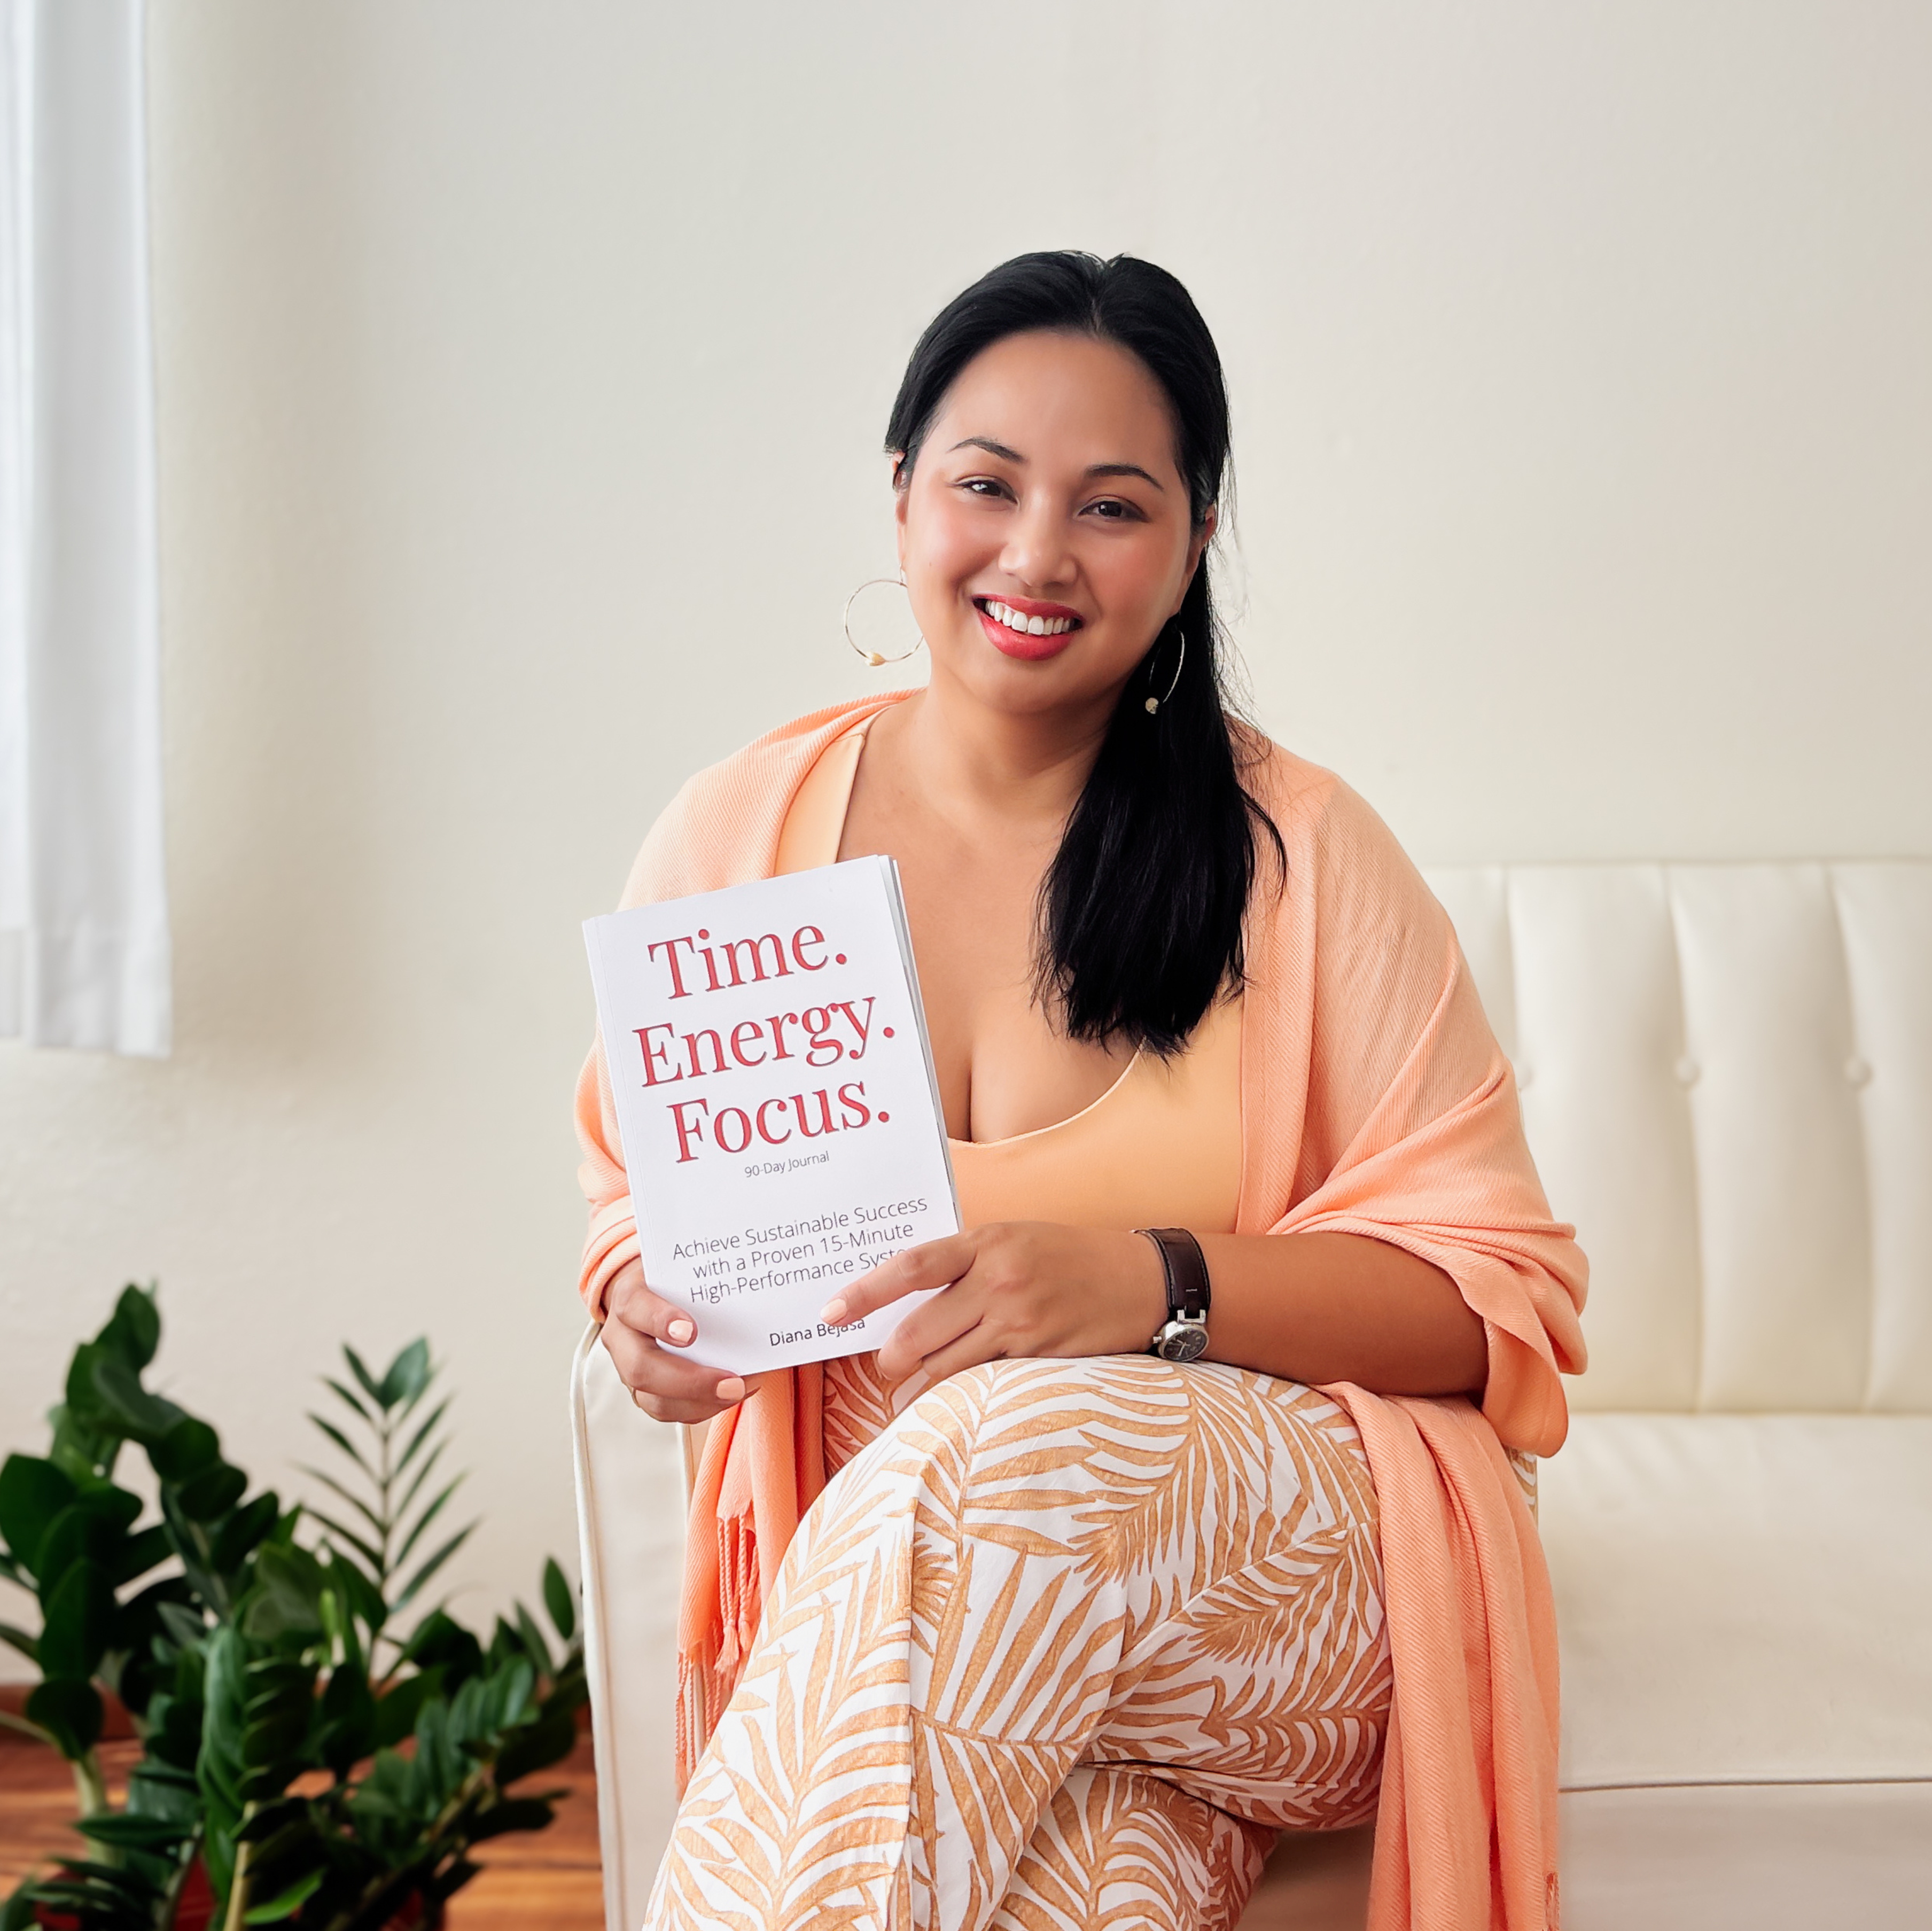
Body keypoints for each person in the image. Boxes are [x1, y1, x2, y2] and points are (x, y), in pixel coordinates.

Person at [575, 251, 1587, 1931]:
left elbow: (1502, 1309)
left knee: (1003, 1453)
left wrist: (1149, 1284)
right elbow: (634, 1195)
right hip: (951, 1632)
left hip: (1298, 1591)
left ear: (1192, 546)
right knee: (1078, 1884)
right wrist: (641, 1304)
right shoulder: (734, 838)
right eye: (987, 485)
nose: (1037, 553)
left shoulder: (1303, 857)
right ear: (904, 500)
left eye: (1113, 507)